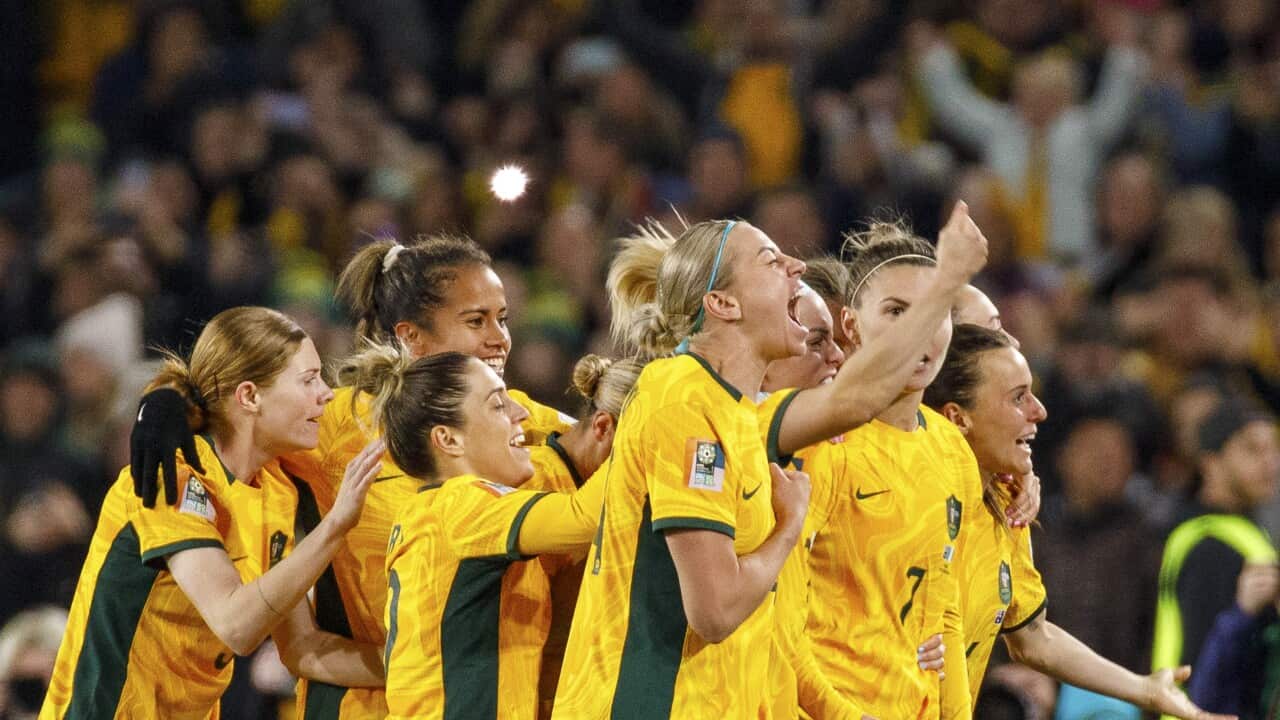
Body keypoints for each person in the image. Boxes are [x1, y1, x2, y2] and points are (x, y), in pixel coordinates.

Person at [552, 203, 987, 719]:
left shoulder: (738, 413)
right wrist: (788, 527)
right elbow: (715, 611)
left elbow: (855, 400)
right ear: (723, 303)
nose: (797, 266)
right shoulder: (683, 400)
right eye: (771, 260)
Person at [128, 235, 579, 717]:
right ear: (411, 336)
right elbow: (236, 410)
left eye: (502, 318)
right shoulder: (338, 424)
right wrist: (166, 400)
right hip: (359, 704)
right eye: (476, 321)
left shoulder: (514, 415)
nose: (500, 338)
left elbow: (606, 438)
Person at [41, 307, 384, 719]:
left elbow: (303, 648)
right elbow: (236, 625)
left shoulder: (277, 488)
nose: (326, 393)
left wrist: (421, 664)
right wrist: (335, 526)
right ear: (249, 396)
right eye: (309, 379)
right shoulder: (170, 475)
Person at [925, 323, 1234, 720]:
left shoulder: (1007, 511)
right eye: (1018, 397)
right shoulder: (905, 500)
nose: (1039, 410)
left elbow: (1033, 637)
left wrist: (1144, 689)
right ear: (957, 417)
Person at [338, 348, 601, 719]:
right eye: (498, 405)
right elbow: (584, 518)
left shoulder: (434, 510)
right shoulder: (460, 505)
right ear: (448, 440)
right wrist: (646, 427)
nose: (521, 413)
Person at [1151, 400, 1280, 718]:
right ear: (1211, 462)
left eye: (1273, 448)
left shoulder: (1242, 532)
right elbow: (1201, 672)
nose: (1271, 463)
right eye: (1252, 450)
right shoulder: (1209, 545)